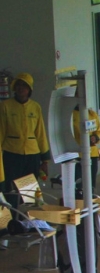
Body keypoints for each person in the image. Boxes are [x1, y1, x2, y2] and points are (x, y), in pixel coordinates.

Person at [0, 73, 48, 206]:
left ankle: (27, 220)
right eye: (19, 85)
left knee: (30, 190)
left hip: (32, 155)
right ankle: (12, 219)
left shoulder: (35, 107)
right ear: (14, 88)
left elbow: (41, 133)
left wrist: (45, 160)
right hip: (12, 154)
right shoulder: (5, 106)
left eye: (24, 85)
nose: (21, 88)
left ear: (30, 89)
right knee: (12, 189)